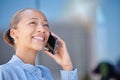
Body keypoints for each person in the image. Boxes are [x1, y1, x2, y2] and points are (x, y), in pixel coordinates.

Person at [0, 8, 78, 80]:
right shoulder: (4, 72)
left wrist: (67, 66)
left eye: (45, 25)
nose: (42, 29)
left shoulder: (45, 73)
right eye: (33, 23)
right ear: (14, 33)